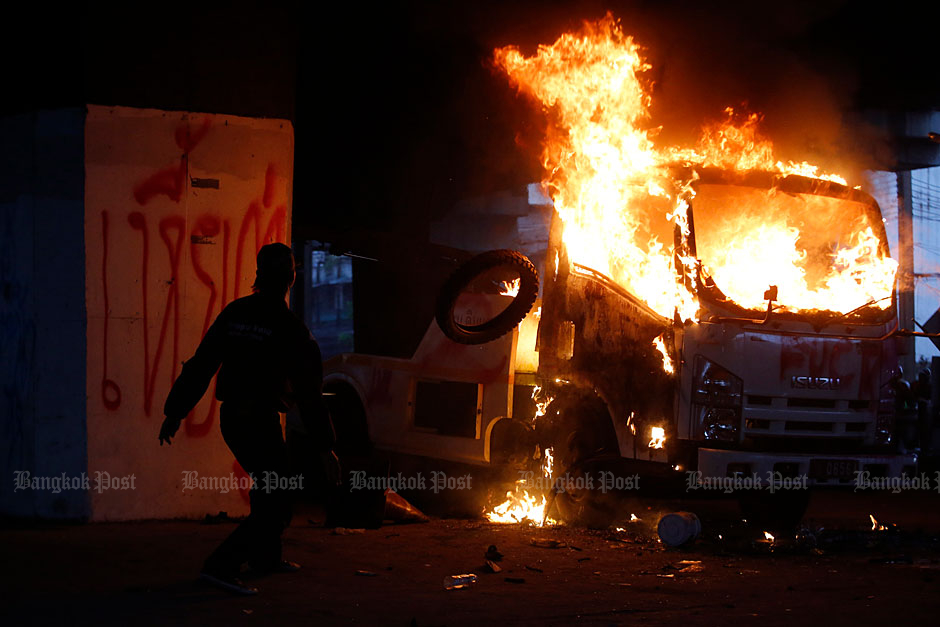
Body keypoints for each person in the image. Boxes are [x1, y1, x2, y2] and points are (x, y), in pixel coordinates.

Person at [158, 242, 340, 596]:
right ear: (291, 277)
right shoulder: (291, 329)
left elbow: (203, 363)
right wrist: (326, 449)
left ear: (259, 275)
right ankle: (220, 565)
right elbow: (309, 395)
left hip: (235, 420)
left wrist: (174, 412)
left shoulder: (235, 313)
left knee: (268, 485)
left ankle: (265, 559)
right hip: (258, 421)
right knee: (279, 497)